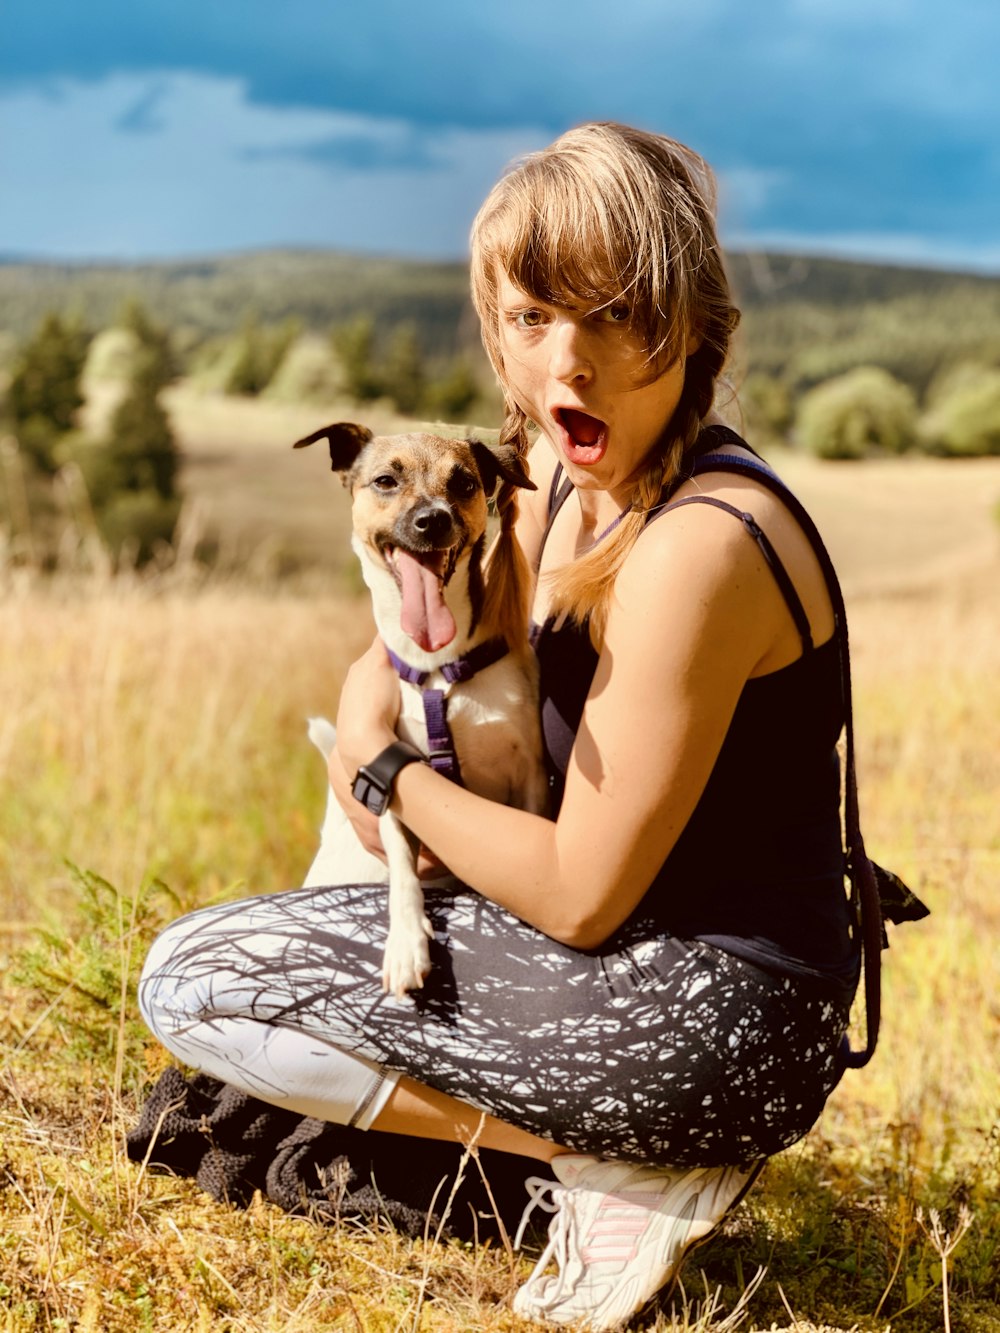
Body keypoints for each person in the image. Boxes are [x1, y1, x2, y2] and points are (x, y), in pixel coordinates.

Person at [138, 122, 863, 1329]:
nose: (566, 363)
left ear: (687, 320)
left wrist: (380, 772)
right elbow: (417, 654)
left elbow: (577, 890)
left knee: (195, 982)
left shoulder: (699, 542)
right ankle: (558, 1142)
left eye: (612, 313)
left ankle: (625, 1162)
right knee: (234, 981)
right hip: (605, 961)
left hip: (712, 1013)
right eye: (531, 318)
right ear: (494, 329)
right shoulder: (557, 478)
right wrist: (381, 680)